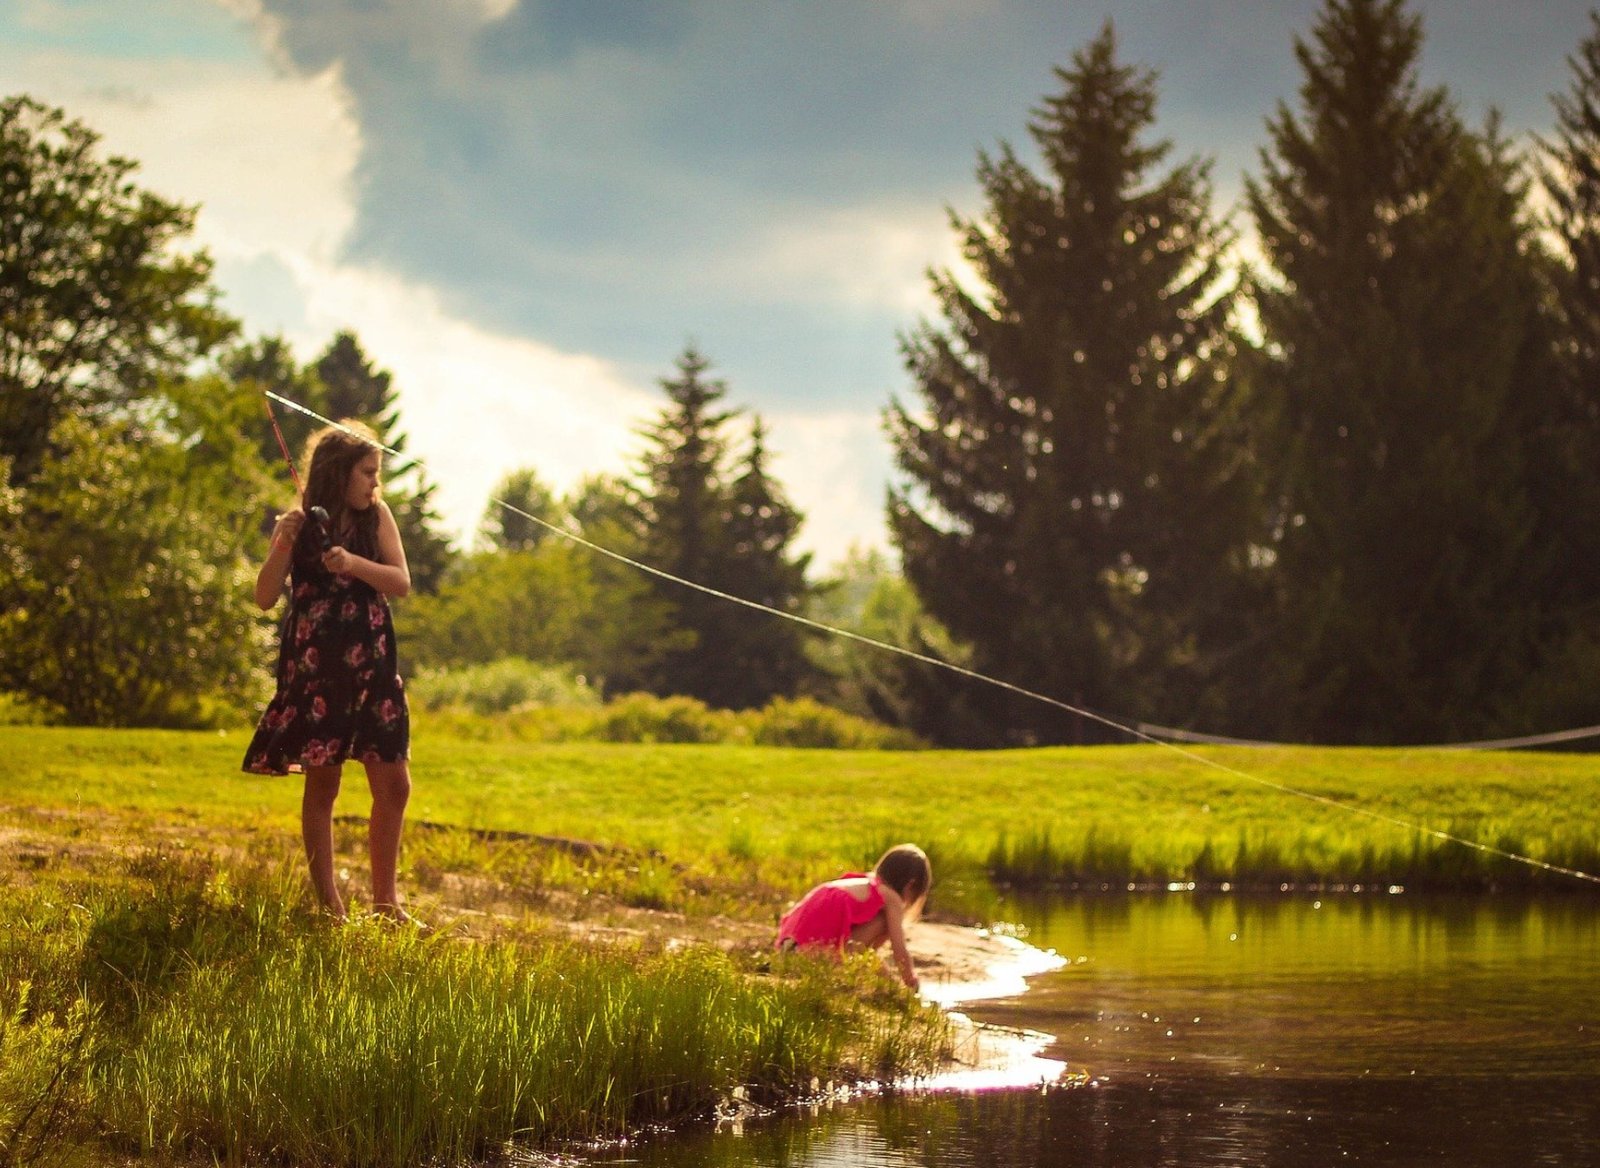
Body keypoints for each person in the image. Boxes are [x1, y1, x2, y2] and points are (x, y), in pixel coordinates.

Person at [243, 420, 414, 923]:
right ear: (339, 473)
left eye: (377, 474)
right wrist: (281, 543)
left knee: (395, 785)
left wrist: (352, 564)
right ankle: (330, 908)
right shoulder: (300, 523)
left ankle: (387, 906)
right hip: (318, 672)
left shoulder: (376, 517)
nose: (374, 484)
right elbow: (264, 597)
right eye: (368, 473)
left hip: (373, 669)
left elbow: (400, 582)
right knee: (324, 786)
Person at [776, 843, 931, 990]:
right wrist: (911, 982)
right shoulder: (891, 897)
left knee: (872, 944)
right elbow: (899, 950)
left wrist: (886, 978)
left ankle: (872, 978)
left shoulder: (863, 884)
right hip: (811, 955)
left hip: (788, 949)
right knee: (884, 923)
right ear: (910, 885)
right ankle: (859, 975)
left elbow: (861, 948)